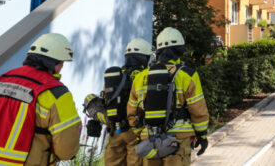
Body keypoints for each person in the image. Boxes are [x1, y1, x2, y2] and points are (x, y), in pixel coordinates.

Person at [0, 33, 80, 165]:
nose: (62, 66)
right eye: (62, 62)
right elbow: (66, 150)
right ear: (54, 62)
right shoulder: (57, 93)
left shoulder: (2, 80)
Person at [128, 27, 209, 165]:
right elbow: (198, 111)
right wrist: (202, 135)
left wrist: (140, 134)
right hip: (178, 141)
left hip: (150, 141)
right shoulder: (187, 75)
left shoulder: (140, 77)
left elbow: (132, 113)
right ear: (180, 49)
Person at [84, 38, 153, 166]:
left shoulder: (115, 77)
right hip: (136, 131)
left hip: (116, 131)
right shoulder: (144, 76)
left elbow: (106, 99)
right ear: (145, 57)